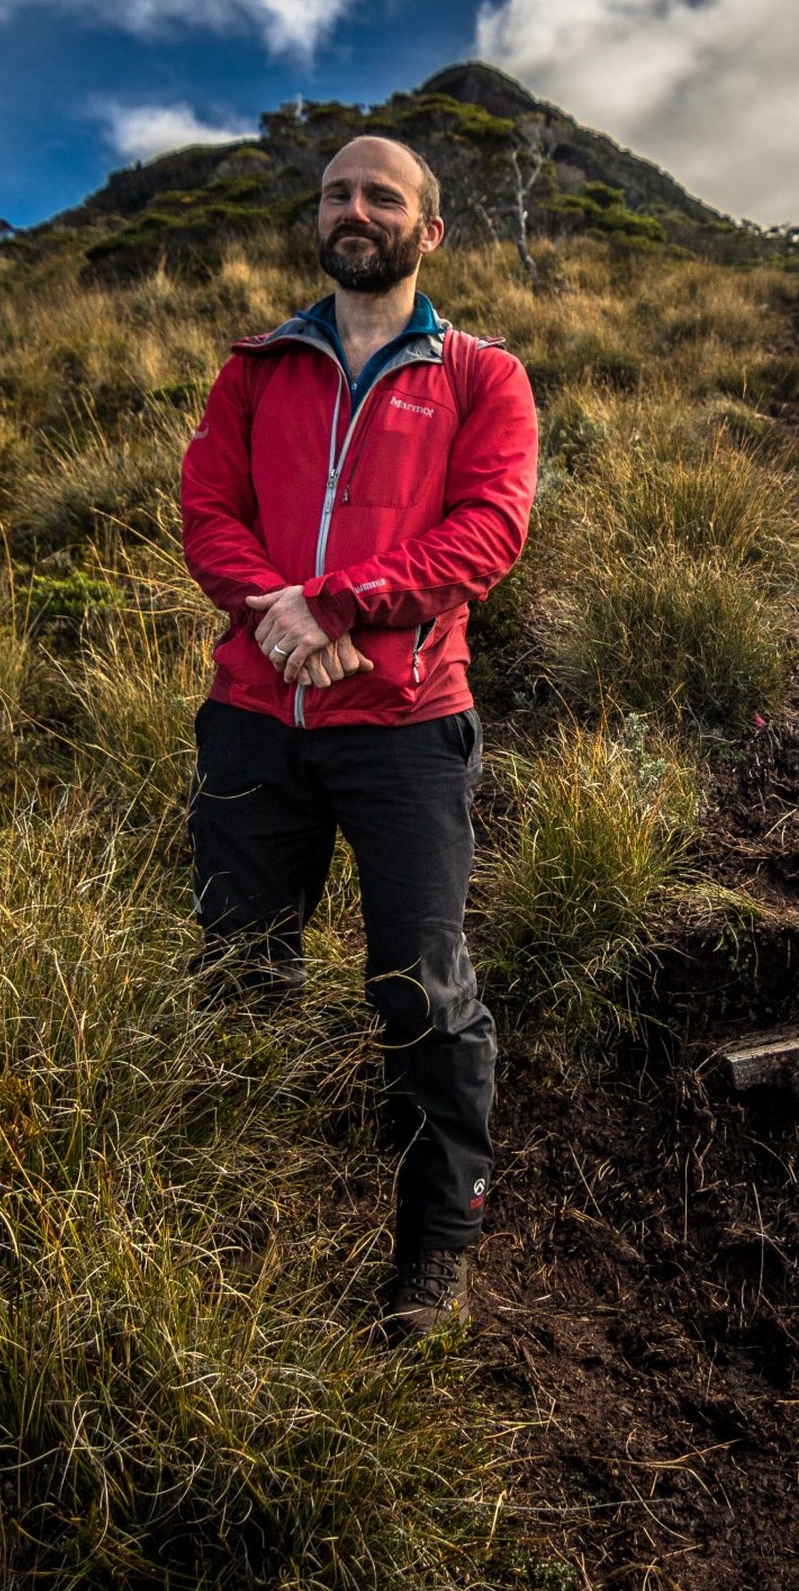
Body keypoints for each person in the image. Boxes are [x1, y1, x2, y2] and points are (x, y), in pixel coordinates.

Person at [179, 134, 538, 1339]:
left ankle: (438, 1248)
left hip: (401, 725)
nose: (354, 208)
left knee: (423, 993)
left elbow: (485, 535)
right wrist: (277, 619)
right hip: (252, 722)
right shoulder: (255, 369)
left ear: (427, 232)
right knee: (237, 973)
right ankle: (230, 1206)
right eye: (337, 192)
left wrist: (329, 606)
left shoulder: (484, 378)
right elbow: (209, 513)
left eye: (382, 196)